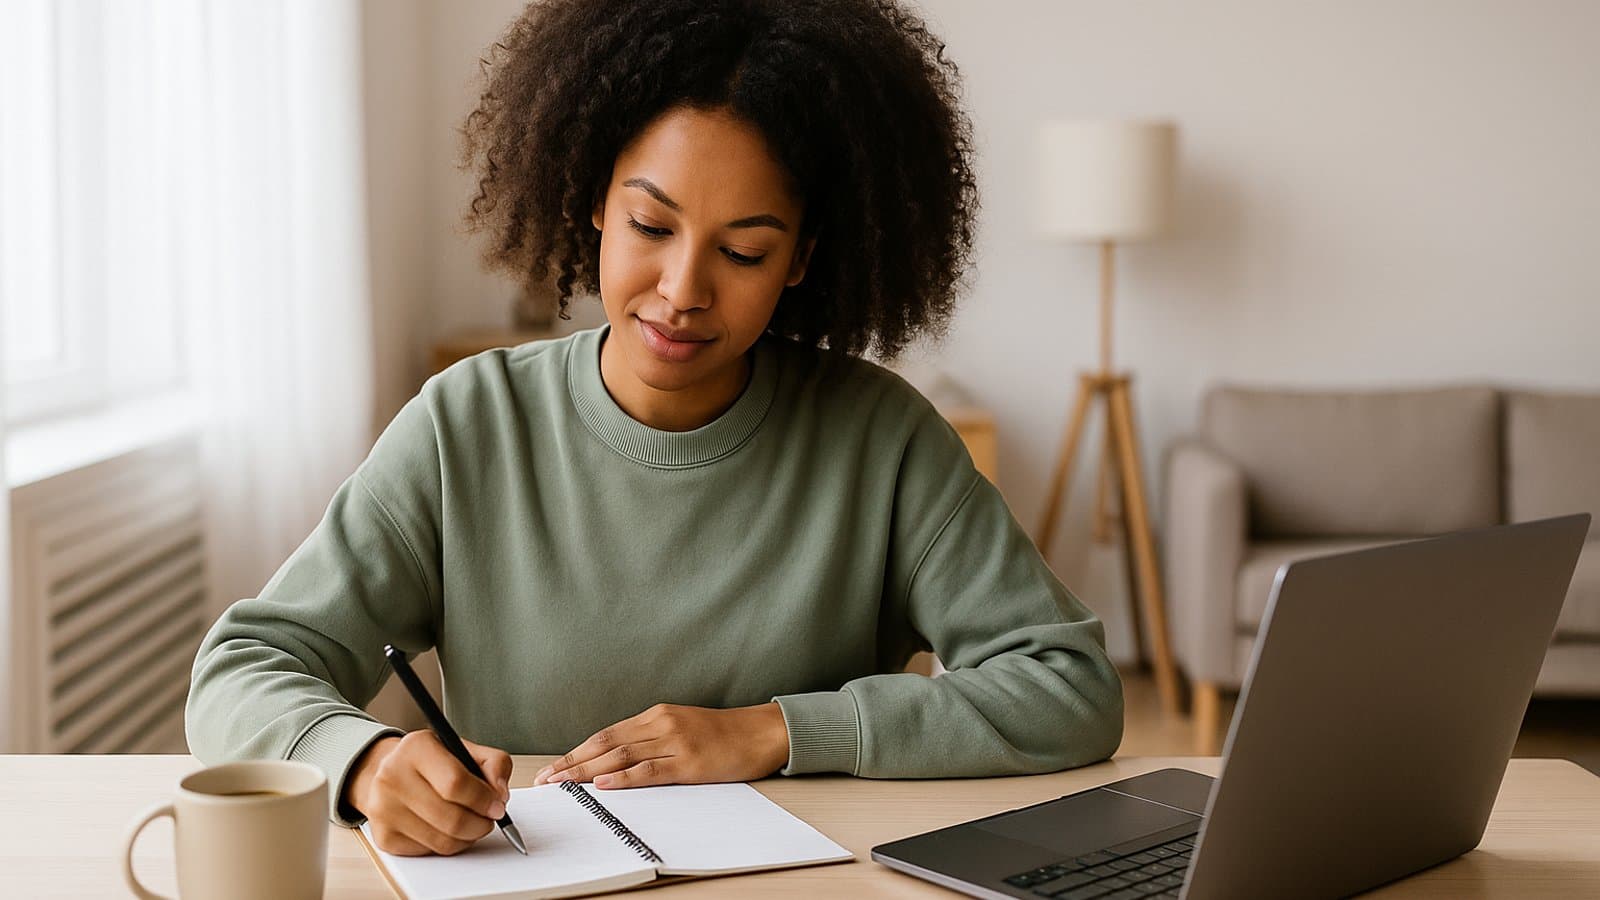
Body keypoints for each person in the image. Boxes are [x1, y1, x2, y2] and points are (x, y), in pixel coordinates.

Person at [186, 0, 1123, 858]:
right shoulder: (467, 427)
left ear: (802, 259)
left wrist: (776, 731)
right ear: (593, 201)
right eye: (649, 225)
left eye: (743, 251)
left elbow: (1070, 688)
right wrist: (364, 762)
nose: (682, 293)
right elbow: (244, 668)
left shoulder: (882, 442)